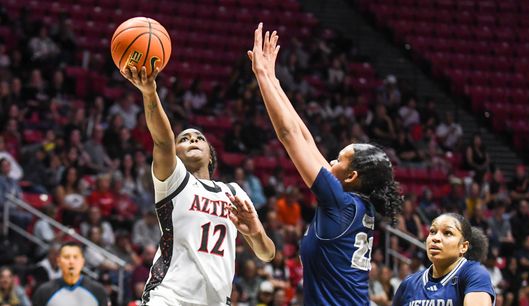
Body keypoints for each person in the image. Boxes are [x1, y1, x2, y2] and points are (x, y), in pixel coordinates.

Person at [249, 23, 403, 305]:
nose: (330, 159)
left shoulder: (340, 202)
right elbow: (305, 138)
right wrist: (274, 81)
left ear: (352, 175)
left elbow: (289, 135)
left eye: (338, 159)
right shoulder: (351, 202)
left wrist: (261, 75)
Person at [121, 61, 275, 306]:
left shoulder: (233, 192)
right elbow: (162, 141)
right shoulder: (174, 181)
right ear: (176, 153)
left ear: (211, 155)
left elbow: (267, 254)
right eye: (184, 139)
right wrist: (150, 92)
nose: (192, 139)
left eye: (199, 138)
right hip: (168, 297)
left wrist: (256, 234)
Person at [392, 213, 495, 306]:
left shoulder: (474, 274)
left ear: (463, 247)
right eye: (432, 231)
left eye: (447, 233)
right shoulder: (409, 283)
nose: (435, 238)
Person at [32, 242, 109, 306]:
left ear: (83, 261)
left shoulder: (98, 291)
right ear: (58, 261)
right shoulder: (44, 291)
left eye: (76, 257)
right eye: (66, 257)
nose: (71, 262)